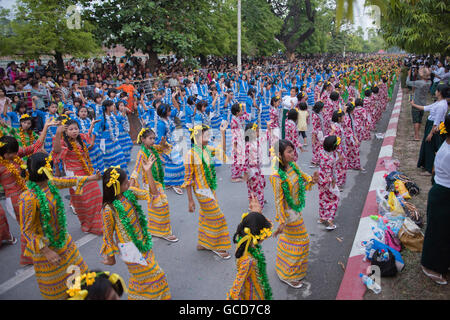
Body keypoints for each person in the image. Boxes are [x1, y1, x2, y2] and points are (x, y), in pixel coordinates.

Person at [19, 152, 101, 299]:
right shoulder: (29, 198)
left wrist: (93, 178)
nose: (53, 168)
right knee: (60, 292)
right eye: (50, 166)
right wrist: (46, 251)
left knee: (81, 280)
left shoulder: (50, 183)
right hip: (47, 251)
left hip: (64, 242)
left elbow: (69, 180)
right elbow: (27, 231)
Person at [100, 166, 171, 300]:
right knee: (156, 274)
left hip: (142, 243)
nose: (129, 184)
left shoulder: (130, 193)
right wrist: (111, 256)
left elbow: (152, 193)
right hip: (129, 250)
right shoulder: (109, 209)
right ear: (116, 187)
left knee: (143, 280)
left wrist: (148, 171)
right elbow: (107, 235)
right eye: (125, 183)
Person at [0, 119, 56, 265]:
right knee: (28, 227)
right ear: (4, 153)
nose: (14, 155)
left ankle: (40, 251)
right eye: (11, 153)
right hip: (14, 200)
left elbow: (35, 146)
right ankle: (30, 257)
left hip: (28, 193)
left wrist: (45, 127)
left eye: (14, 152)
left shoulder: (15, 155)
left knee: (38, 223)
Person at [270, 139, 318, 288]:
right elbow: (278, 200)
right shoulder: (276, 176)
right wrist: (282, 221)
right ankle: (288, 275)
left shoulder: (293, 166)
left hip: (297, 210)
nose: (293, 153)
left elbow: (305, 178)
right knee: (302, 241)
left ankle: (285, 268)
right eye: (289, 152)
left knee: (289, 241)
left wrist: (313, 180)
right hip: (289, 215)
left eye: (292, 150)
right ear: (279, 155)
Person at [182, 123, 232, 259]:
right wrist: (190, 200)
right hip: (201, 191)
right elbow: (188, 180)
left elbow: (221, 152)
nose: (208, 136)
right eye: (206, 134)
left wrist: (222, 132)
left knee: (205, 216)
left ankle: (204, 243)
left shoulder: (207, 149)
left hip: (211, 188)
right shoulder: (190, 155)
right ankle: (216, 245)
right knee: (218, 217)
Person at [52, 119, 103, 235]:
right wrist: (58, 133)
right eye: (71, 129)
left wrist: (91, 125)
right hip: (74, 176)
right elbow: (56, 150)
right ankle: (87, 224)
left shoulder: (81, 138)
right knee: (83, 202)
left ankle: (97, 224)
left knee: (96, 197)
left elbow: (88, 134)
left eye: (76, 128)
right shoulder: (64, 142)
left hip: (88, 172)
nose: (74, 131)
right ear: (66, 131)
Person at [130, 128, 178, 242]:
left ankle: (155, 230)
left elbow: (165, 149)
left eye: (154, 138)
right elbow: (136, 170)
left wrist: (162, 144)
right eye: (150, 138)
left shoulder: (152, 149)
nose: (153, 141)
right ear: (143, 139)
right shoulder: (141, 153)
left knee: (157, 206)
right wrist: (130, 186)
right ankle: (164, 232)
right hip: (150, 183)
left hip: (158, 182)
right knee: (161, 205)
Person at [421, 114, 450, 285]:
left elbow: (433, 171)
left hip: (442, 191)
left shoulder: (445, 147)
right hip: (442, 195)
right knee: (438, 233)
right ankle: (430, 266)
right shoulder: (447, 152)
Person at [227, 200, 273, 300]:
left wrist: (256, 211)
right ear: (258, 237)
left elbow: (252, 221)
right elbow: (236, 287)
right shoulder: (248, 261)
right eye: (264, 235)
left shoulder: (244, 237)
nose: (265, 237)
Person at [412, 83, 449, 174]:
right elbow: (427, 108)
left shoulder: (441, 105)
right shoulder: (438, 102)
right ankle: (426, 165)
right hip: (431, 125)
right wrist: (414, 105)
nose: (435, 92)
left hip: (434, 127)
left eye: (436, 90)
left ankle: (429, 169)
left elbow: (437, 121)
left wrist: (431, 133)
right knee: (427, 145)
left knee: (430, 147)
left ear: (439, 92)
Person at [318, 135, 340, 230]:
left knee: (322, 198)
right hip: (328, 181)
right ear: (333, 147)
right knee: (335, 198)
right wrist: (334, 181)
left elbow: (323, 139)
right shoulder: (332, 159)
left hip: (320, 179)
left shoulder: (321, 153)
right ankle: (330, 220)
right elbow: (333, 172)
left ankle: (322, 217)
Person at [243, 123, 266, 210]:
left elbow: (265, 138)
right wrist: (246, 173)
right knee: (255, 188)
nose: (258, 132)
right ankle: (257, 206)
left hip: (258, 169)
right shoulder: (248, 145)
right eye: (256, 131)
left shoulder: (256, 141)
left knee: (259, 186)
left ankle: (256, 203)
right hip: (252, 170)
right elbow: (245, 160)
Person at [406, 67, 431, 141]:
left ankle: (416, 136)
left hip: (416, 103)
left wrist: (409, 75)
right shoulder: (429, 82)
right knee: (419, 119)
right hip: (423, 104)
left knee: (416, 120)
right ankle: (417, 134)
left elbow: (408, 83)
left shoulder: (419, 83)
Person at [230, 103, 250, 182]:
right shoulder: (234, 122)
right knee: (236, 160)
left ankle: (238, 174)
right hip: (237, 142)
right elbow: (234, 135)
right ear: (237, 113)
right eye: (241, 110)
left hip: (240, 141)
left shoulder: (237, 118)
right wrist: (235, 146)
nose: (242, 111)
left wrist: (244, 107)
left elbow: (246, 117)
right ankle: (234, 177)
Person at [310, 101, 325, 168]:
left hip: (319, 132)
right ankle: (316, 161)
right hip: (317, 133)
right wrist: (314, 136)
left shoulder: (318, 114)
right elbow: (314, 127)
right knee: (317, 146)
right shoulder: (315, 116)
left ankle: (316, 160)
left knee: (318, 146)